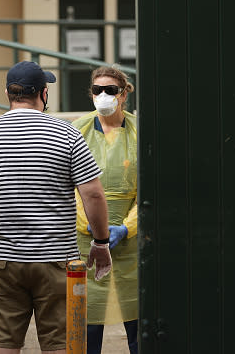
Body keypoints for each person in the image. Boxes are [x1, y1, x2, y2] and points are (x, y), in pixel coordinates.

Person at [0, 61, 112, 354]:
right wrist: (101, 243)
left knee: (3, 344)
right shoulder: (66, 134)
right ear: (43, 93)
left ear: (8, 93)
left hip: (2, 263)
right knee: (60, 345)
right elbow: (93, 194)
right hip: (57, 262)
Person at [72, 66, 138, 354]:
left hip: (132, 244)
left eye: (110, 90)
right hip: (85, 242)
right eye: (97, 90)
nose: (103, 95)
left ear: (123, 94)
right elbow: (67, 187)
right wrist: (92, 225)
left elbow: (152, 192)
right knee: (87, 325)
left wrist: (128, 227)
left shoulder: (140, 133)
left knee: (138, 324)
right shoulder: (76, 131)